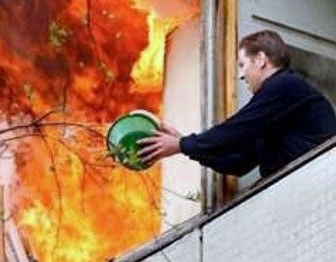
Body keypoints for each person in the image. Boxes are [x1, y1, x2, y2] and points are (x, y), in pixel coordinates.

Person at [138, 30, 336, 178]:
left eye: (242, 64)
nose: (241, 75)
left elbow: (235, 130)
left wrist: (182, 144)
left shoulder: (283, 85)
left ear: (260, 60)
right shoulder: (274, 117)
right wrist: (184, 146)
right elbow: (238, 163)